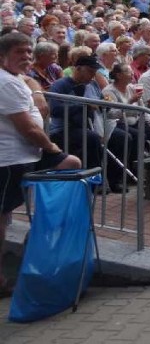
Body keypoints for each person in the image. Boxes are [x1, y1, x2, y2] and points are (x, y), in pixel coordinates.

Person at [0, 32, 81, 298]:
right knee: (1, 218)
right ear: (2, 57)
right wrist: (52, 147)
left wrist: (34, 88)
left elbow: (24, 78)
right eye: (19, 53)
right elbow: (28, 129)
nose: (26, 57)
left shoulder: (14, 78)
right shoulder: (5, 83)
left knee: (72, 163)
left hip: (27, 153)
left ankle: (45, 233)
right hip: (12, 158)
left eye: (28, 52)